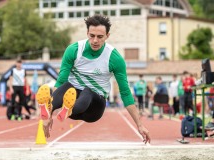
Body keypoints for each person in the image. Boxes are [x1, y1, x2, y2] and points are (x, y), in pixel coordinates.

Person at [36, 14, 150, 143]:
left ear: (107, 36)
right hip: (73, 99)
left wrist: (139, 124)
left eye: (100, 37)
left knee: (88, 91)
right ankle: (51, 108)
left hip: (94, 108)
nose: (95, 40)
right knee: (67, 85)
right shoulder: (73, 50)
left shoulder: (114, 58)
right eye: (92, 36)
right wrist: (49, 115)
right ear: (87, 33)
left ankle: (68, 108)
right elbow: (61, 81)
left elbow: (125, 93)